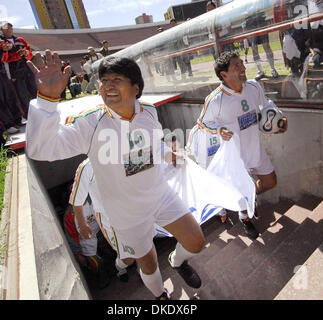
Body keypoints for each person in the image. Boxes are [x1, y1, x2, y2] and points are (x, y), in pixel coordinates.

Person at [26, 53, 205, 300]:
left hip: (160, 196)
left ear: (136, 87)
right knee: (149, 262)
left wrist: (169, 154)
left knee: (196, 241)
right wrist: (47, 100)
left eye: (116, 79)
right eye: (103, 80)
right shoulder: (90, 123)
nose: (107, 85)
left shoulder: (149, 112)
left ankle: (177, 260)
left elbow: (155, 145)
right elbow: (41, 149)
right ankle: (160, 295)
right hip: (127, 214)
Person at [197, 51, 287, 239]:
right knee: (242, 195)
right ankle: (244, 218)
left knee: (270, 182)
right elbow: (202, 123)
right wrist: (219, 130)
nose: (243, 68)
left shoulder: (253, 87)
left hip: (255, 148)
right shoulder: (215, 100)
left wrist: (278, 118)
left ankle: (248, 197)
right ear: (224, 75)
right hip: (235, 156)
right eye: (236, 66)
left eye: (241, 64)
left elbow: (267, 104)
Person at [66, 159, 136, 284]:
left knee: (129, 251)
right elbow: (70, 235)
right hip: (91, 238)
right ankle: (109, 277)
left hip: (107, 228)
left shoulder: (92, 197)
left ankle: (129, 271)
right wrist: (78, 253)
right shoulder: (70, 214)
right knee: (101, 263)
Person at [0, 21, 37, 118]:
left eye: (11, 27)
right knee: (22, 95)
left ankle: (41, 111)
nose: (9, 29)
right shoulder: (0, 41)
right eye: (6, 28)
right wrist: (17, 55)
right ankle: (29, 116)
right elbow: (4, 58)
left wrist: (26, 53)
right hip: (14, 72)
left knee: (34, 90)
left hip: (27, 69)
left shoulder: (20, 39)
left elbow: (30, 54)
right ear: (1, 30)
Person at [245, 10, 279, 80]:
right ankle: (260, 71)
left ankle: (272, 69)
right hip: (250, 23)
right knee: (254, 48)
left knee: (266, 45)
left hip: (260, 20)